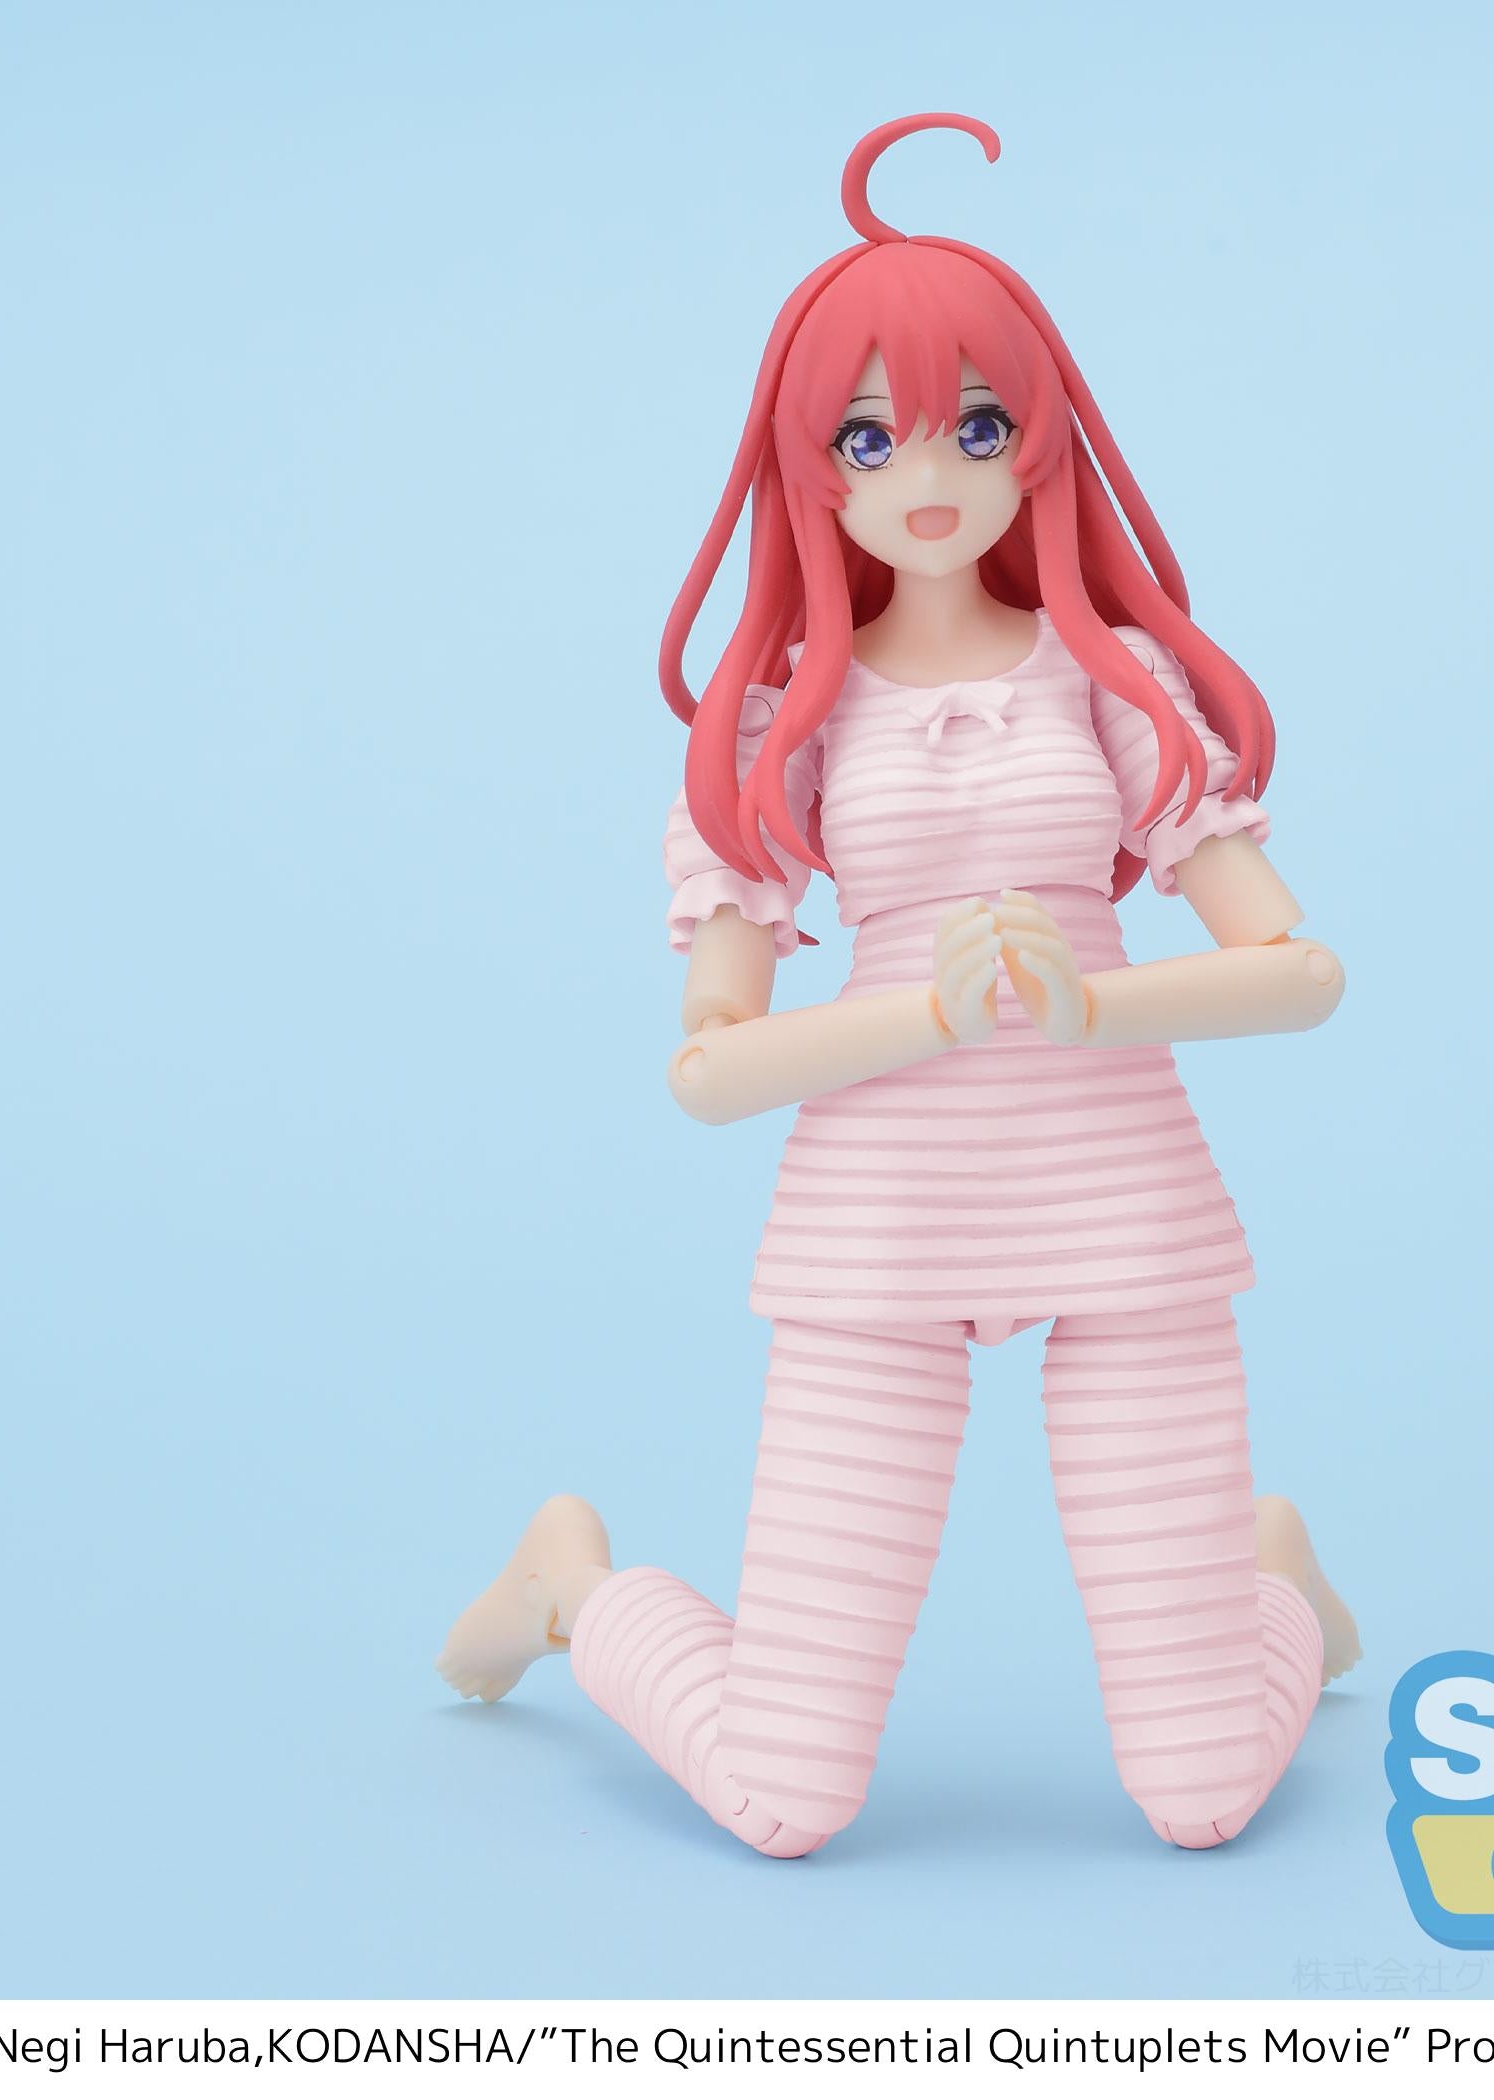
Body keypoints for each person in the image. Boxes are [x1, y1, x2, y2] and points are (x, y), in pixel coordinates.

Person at [439, 113, 1358, 1856]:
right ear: (814, 467)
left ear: (1040, 444)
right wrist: (921, 1021)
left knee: (1201, 1797)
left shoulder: (1114, 681)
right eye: (868, 436)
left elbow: (1298, 970)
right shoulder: (787, 719)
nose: (925, 472)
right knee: (784, 1795)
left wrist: (1100, 1007)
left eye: (977, 426)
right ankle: (575, 1586)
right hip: (877, 1224)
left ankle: (1268, 1586)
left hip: (1124, 1209)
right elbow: (709, 1065)